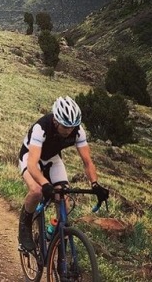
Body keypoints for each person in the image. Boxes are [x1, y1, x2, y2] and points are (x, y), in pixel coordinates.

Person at [18, 96, 109, 252]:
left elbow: (87, 162)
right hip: (31, 157)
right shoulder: (41, 128)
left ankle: (54, 234)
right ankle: (24, 226)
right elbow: (32, 165)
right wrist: (45, 184)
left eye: (73, 127)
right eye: (66, 127)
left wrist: (95, 184)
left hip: (53, 158)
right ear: (56, 121)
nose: (69, 131)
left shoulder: (78, 131)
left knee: (64, 201)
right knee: (37, 191)